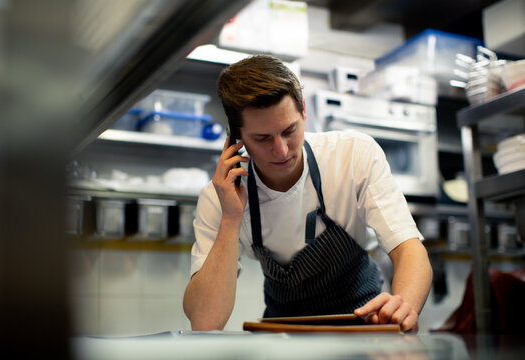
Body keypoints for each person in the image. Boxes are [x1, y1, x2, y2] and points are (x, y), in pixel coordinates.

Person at [183, 54, 432, 332]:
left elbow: (409, 249)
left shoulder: (354, 155)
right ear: (236, 137)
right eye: (263, 138)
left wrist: (403, 306)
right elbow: (205, 322)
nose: (281, 150)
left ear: (303, 110)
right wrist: (231, 217)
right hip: (283, 337)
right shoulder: (220, 197)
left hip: (364, 327)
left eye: (289, 130)